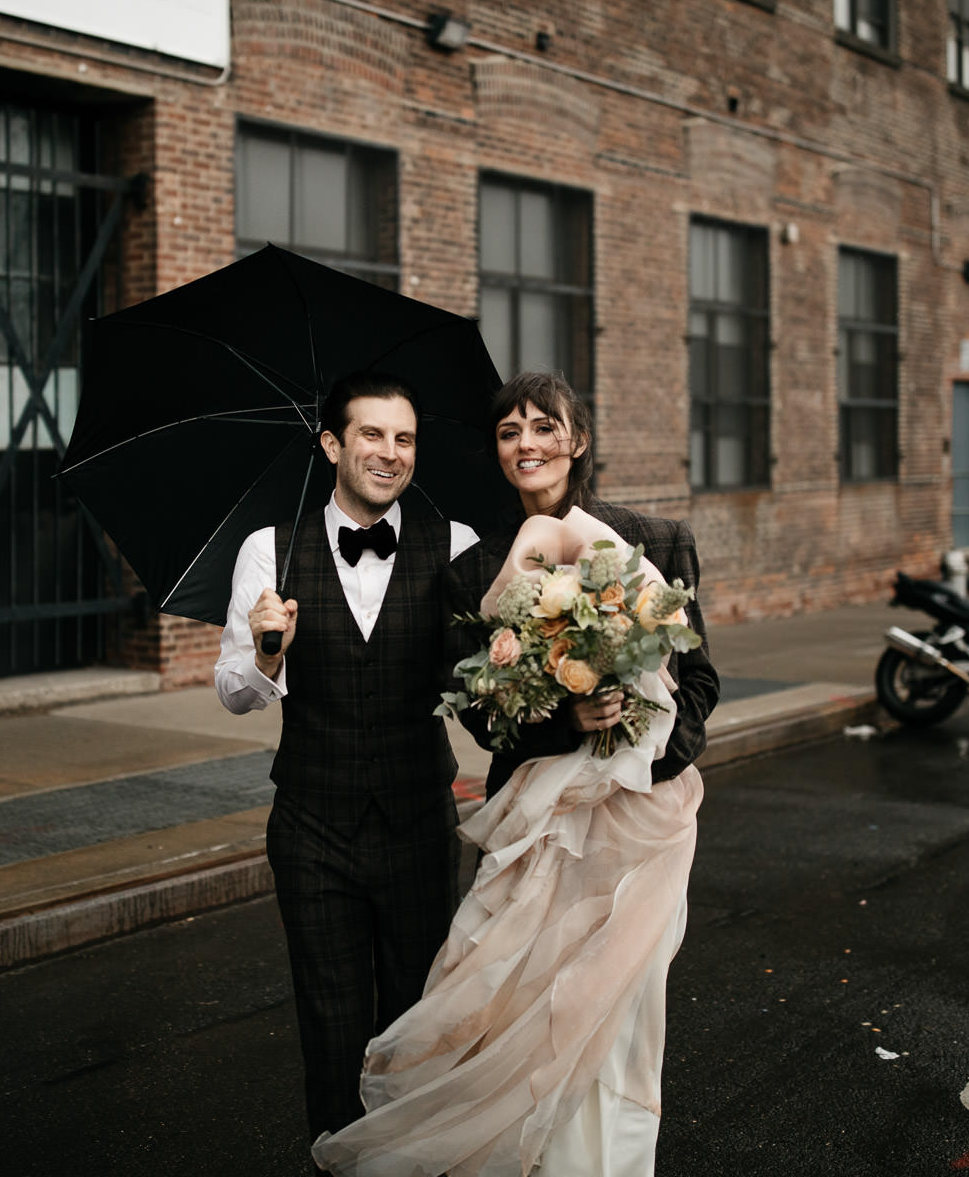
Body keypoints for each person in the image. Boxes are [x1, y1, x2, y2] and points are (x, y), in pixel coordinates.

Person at [312, 369, 719, 1177]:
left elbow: (701, 688)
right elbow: (477, 714)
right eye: (509, 432)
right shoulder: (471, 573)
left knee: (615, 1018)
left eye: (543, 427)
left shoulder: (657, 542)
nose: (527, 444)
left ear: (578, 439)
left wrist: (633, 735)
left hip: (640, 831)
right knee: (513, 1009)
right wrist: (568, 719)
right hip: (532, 830)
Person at [214, 370, 480, 1161]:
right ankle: (338, 1159)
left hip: (419, 822)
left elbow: (481, 688)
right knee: (330, 1019)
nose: (388, 453)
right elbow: (233, 694)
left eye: (403, 439)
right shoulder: (269, 550)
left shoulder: (455, 544)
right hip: (311, 825)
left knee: (417, 1018)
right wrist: (268, 651)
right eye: (370, 434)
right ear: (331, 443)